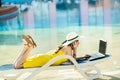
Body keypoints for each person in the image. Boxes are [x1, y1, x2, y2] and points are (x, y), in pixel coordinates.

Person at [14, 32, 90, 69]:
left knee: (15, 64)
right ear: (73, 42)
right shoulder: (68, 48)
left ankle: (26, 47)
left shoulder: (64, 46)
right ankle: (30, 48)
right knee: (17, 66)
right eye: (77, 41)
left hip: (44, 58)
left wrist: (83, 57)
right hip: (44, 61)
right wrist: (75, 49)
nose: (79, 42)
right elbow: (72, 61)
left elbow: (70, 59)